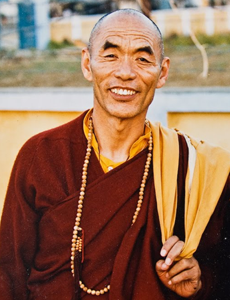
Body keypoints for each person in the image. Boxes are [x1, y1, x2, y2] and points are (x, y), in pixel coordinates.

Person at [0, 8, 230, 300]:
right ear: (87, 63)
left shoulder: (193, 168)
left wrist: (199, 280)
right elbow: (8, 274)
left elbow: (220, 273)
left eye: (143, 59)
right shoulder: (41, 156)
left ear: (162, 72)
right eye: (110, 56)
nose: (125, 72)